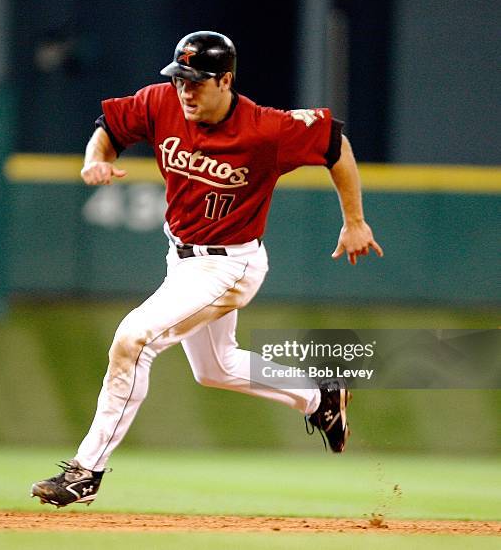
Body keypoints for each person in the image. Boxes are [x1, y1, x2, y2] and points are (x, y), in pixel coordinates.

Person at [31, 31, 383, 508]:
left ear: (225, 80)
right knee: (216, 368)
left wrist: (355, 220)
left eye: (196, 82)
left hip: (229, 266)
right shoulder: (161, 102)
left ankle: (85, 471)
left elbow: (334, 143)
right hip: (181, 259)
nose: (185, 90)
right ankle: (320, 397)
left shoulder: (266, 128)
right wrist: (95, 159)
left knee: (132, 340)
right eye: (180, 79)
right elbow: (110, 128)